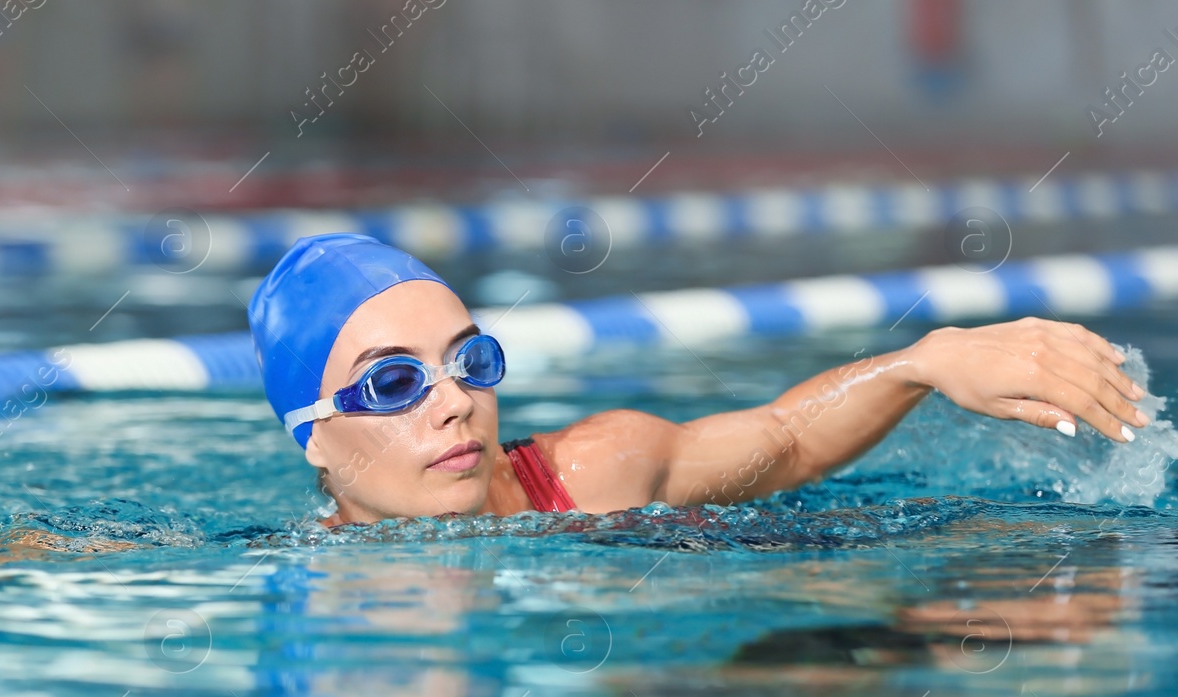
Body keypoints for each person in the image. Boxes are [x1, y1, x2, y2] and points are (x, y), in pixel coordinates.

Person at [249, 233, 1152, 527]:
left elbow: (786, 438)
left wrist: (925, 360)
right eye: (394, 383)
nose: (453, 402)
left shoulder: (591, 472)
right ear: (312, 432)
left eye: (468, 362)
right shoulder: (276, 583)